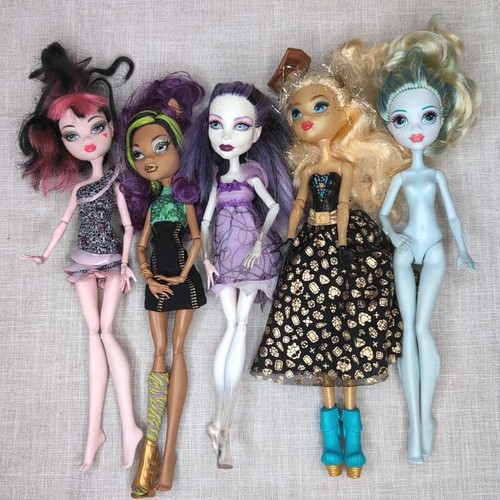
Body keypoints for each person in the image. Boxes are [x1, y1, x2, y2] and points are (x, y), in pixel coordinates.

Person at [251, 42, 408, 478]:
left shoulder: (344, 167)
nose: (306, 119)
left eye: (319, 107)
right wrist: (289, 236)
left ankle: (352, 440)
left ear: (345, 115)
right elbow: (299, 205)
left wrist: (341, 243)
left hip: (343, 243)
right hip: (311, 244)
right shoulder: (305, 170)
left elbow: (342, 206)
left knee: (350, 325)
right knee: (313, 325)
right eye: (297, 113)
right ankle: (330, 439)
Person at [19, 42, 142, 471]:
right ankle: (95, 430)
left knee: (106, 331)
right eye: (72, 135)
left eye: (95, 128)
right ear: (61, 143)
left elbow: (128, 226)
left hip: (111, 261)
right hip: (82, 261)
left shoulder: (114, 182)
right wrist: (44, 254)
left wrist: (125, 264)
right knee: (93, 333)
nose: (86, 141)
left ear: (111, 128)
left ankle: (129, 424)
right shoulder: (80, 187)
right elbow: (62, 223)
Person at [176, 82, 294, 469]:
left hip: (251, 255)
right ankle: (219, 421)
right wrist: (206, 260)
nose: (226, 136)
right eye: (217, 125)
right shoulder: (215, 178)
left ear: (256, 134)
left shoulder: (251, 175)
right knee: (233, 326)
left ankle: (221, 422)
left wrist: (261, 241)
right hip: (225, 258)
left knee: (240, 326)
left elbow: (272, 208)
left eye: (239, 126)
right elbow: (206, 222)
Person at [377, 20, 479, 464]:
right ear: (389, 123)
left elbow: (451, 214)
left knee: (421, 328)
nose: (416, 129)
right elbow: (384, 214)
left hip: (434, 248)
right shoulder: (401, 177)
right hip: (405, 250)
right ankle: (416, 425)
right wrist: (393, 236)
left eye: (428, 117)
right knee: (406, 330)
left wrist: (464, 248)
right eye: (401, 120)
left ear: (444, 116)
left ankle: (425, 418)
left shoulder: (435, 176)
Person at [119, 73, 206, 495]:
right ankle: (149, 451)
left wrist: (183, 275)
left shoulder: (185, 200)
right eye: (138, 153)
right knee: (158, 352)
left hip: (183, 280)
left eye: (159, 147)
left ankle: (167, 454)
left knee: (178, 349)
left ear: (179, 147)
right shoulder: (153, 207)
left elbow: (197, 240)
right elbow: (141, 248)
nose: (148, 160)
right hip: (157, 282)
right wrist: (150, 278)